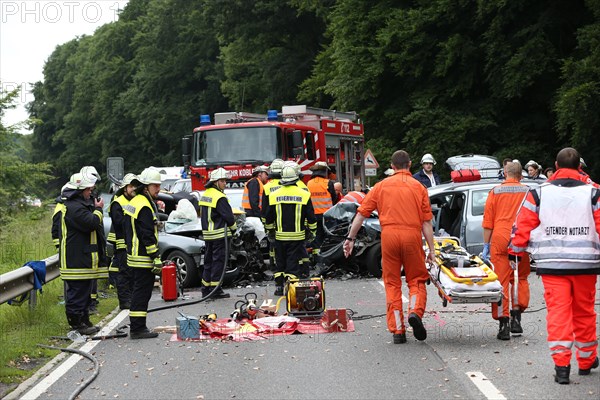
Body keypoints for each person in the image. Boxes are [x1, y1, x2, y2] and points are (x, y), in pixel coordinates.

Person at [508, 147, 600, 384]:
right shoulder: (594, 193)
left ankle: (562, 366)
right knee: (584, 312)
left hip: (552, 266)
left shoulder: (538, 193)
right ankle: (587, 359)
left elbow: (523, 225)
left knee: (559, 314)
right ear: (580, 167)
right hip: (585, 265)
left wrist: (515, 252)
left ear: (556, 167)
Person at [344, 150, 436, 344]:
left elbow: (361, 215)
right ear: (410, 165)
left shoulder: (380, 186)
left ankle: (398, 331)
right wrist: (432, 251)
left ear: (392, 166)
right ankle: (414, 313)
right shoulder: (419, 187)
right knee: (417, 279)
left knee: (392, 283)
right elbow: (427, 223)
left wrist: (350, 239)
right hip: (412, 236)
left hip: (389, 237)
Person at [481, 161, 531, 340]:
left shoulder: (495, 191)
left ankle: (504, 324)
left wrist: (486, 246)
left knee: (501, 282)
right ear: (521, 175)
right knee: (520, 278)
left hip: (500, 237)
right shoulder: (528, 191)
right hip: (521, 237)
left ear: (504, 173)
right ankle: (516, 317)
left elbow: (488, 223)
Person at [60, 172, 104, 335]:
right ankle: (77, 324)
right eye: (88, 190)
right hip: (75, 259)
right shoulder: (74, 208)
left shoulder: (80, 205)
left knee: (84, 292)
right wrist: (99, 210)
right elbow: (91, 223)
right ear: (79, 190)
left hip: (82, 258)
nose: (90, 193)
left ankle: (84, 321)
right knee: (77, 293)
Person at [265, 163, 317, 296]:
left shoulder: (273, 195)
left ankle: (278, 287)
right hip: (297, 237)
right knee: (292, 262)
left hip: (279, 236)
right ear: (296, 178)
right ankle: (290, 288)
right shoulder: (304, 194)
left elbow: (268, 217)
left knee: (279, 261)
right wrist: (312, 232)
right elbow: (311, 217)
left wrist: (270, 231)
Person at [123, 168, 163, 339]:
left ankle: (137, 326)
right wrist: (155, 257)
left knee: (138, 291)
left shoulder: (135, 202)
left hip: (133, 255)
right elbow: (146, 234)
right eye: (155, 186)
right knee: (142, 292)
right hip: (142, 257)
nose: (158, 189)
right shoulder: (144, 206)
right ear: (146, 187)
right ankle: (138, 329)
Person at [198, 168, 237, 299]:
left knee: (208, 262)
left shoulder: (206, 194)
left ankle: (205, 289)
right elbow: (229, 217)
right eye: (222, 181)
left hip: (208, 235)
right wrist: (234, 228)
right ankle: (216, 290)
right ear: (215, 182)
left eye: (225, 180)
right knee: (218, 263)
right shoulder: (220, 197)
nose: (225, 183)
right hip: (219, 235)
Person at [107, 173, 138, 310]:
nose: (134, 189)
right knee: (124, 273)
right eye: (131, 186)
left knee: (133, 273)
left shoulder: (137, 201)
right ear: (125, 188)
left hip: (134, 244)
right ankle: (124, 301)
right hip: (122, 244)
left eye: (135, 186)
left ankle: (132, 298)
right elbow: (119, 224)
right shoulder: (118, 203)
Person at [80, 166, 106, 314]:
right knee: (87, 276)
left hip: (95, 242)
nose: (93, 187)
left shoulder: (90, 197)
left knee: (93, 274)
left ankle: (92, 302)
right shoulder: (83, 202)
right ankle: (88, 304)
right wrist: (98, 209)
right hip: (86, 245)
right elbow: (91, 221)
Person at [307, 161, 338, 263]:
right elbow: (334, 198)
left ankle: (316, 259)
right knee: (329, 237)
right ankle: (328, 258)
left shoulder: (309, 184)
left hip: (313, 216)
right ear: (324, 172)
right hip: (327, 215)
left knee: (316, 238)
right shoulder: (328, 183)